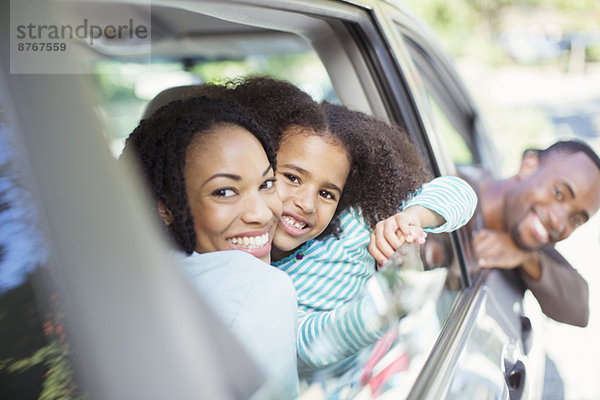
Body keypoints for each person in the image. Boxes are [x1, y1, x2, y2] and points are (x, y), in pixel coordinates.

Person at [206, 77, 477, 371]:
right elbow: (300, 344)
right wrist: (374, 312)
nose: (307, 204)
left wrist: (412, 216)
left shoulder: (357, 224)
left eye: (326, 193)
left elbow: (460, 194)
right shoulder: (232, 256)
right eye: (292, 178)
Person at [120, 96, 300, 398]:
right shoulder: (259, 289)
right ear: (165, 207)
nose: (261, 213)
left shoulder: (123, 280)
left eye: (267, 184)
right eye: (225, 192)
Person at [372, 140, 600, 328]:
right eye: (559, 193)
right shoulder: (441, 197)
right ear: (528, 165)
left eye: (576, 218)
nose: (559, 222)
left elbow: (579, 309)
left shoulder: (530, 244)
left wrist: (526, 259)